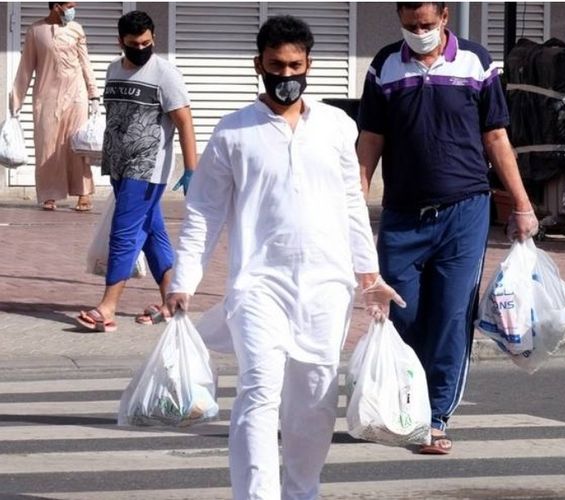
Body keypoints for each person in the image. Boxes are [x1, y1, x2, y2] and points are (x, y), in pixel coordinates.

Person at [165, 15, 403, 500]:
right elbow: (204, 213)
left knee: (315, 398)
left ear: (309, 64)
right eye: (276, 65)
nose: (286, 75)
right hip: (257, 286)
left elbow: (352, 202)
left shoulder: (337, 126)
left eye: (295, 65)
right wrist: (183, 280)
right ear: (259, 65)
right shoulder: (233, 132)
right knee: (258, 391)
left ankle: (302, 491)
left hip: (327, 287)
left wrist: (369, 275)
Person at [356, 2, 540, 455]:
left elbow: (496, 137)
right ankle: (405, 404)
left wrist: (521, 205)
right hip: (402, 215)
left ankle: (435, 417)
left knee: (452, 315)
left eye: (426, 23)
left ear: (444, 18)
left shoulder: (476, 62)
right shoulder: (385, 66)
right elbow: (370, 141)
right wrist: (353, 208)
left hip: (464, 212)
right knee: (402, 314)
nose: (418, 32)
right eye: (409, 24)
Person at [76, 10, 197, 332]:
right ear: (121, 42)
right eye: (134, 44)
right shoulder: (113, 69)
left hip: (147, 169)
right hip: (118, 165)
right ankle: (172, 302)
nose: (141, 48)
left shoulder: (165, 74)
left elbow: (184, 122)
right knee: (152, 234)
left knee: (124, 233)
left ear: (153, 38)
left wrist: (191, 170)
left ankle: (108, 307)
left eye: (146, 42)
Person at [11, 2, 99, 212]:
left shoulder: (76, 29)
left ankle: (84, 193)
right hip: (46, 97)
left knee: (78, 145)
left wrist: (94, 94)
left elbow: (85, 63)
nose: (72, 9)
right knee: (47, 146)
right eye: (69, 5)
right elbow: (26, 68)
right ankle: (49, 194)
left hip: (76, 95)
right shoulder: (36, 31)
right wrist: (16, 100)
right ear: (56, 6)